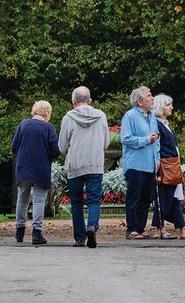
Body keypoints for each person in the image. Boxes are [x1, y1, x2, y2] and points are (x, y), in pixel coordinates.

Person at [58, 86, 110, 248]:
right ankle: (92, 226)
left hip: (75, 165)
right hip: (95, 164)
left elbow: (62, 146)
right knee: (94, 200)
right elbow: (106, 143)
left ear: (73, 102)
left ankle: (80, 238)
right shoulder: (101, 116)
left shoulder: (68, 118)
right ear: (90, 100)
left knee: (76, 203)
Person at [149, 94, 185, 239]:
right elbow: (157, 147)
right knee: (164, 198)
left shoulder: (164, 124)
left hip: (172, 166)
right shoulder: (157, 124)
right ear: (160, 106)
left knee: (173, 198)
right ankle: (160, 229)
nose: (172, 107)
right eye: (168, 104)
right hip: (165, 167)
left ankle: (183, 229)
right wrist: (157, 170)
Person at [11, 100, 60, 245]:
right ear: (47, 113)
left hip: (23, 166)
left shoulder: (23, 124)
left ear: (34, 111)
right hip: (41, 167)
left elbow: (14, 146)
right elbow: (55, 150)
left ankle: (19, 230)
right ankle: (36, 233)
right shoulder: (48, 127)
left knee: (22, 198)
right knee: (39, 200)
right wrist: (48, 157)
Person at [120, 85, 160, 239]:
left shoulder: (152, 117)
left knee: (146, 198)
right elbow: (126, 138)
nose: (152, 98)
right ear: (139, 101)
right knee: (134, 196)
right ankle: (131, 229)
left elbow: (157, 140)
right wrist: (146, 140)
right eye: (149, 95)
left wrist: (157, 159)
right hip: (135, 164)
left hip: (150, 165)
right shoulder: (130, 116)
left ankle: (141, 228)